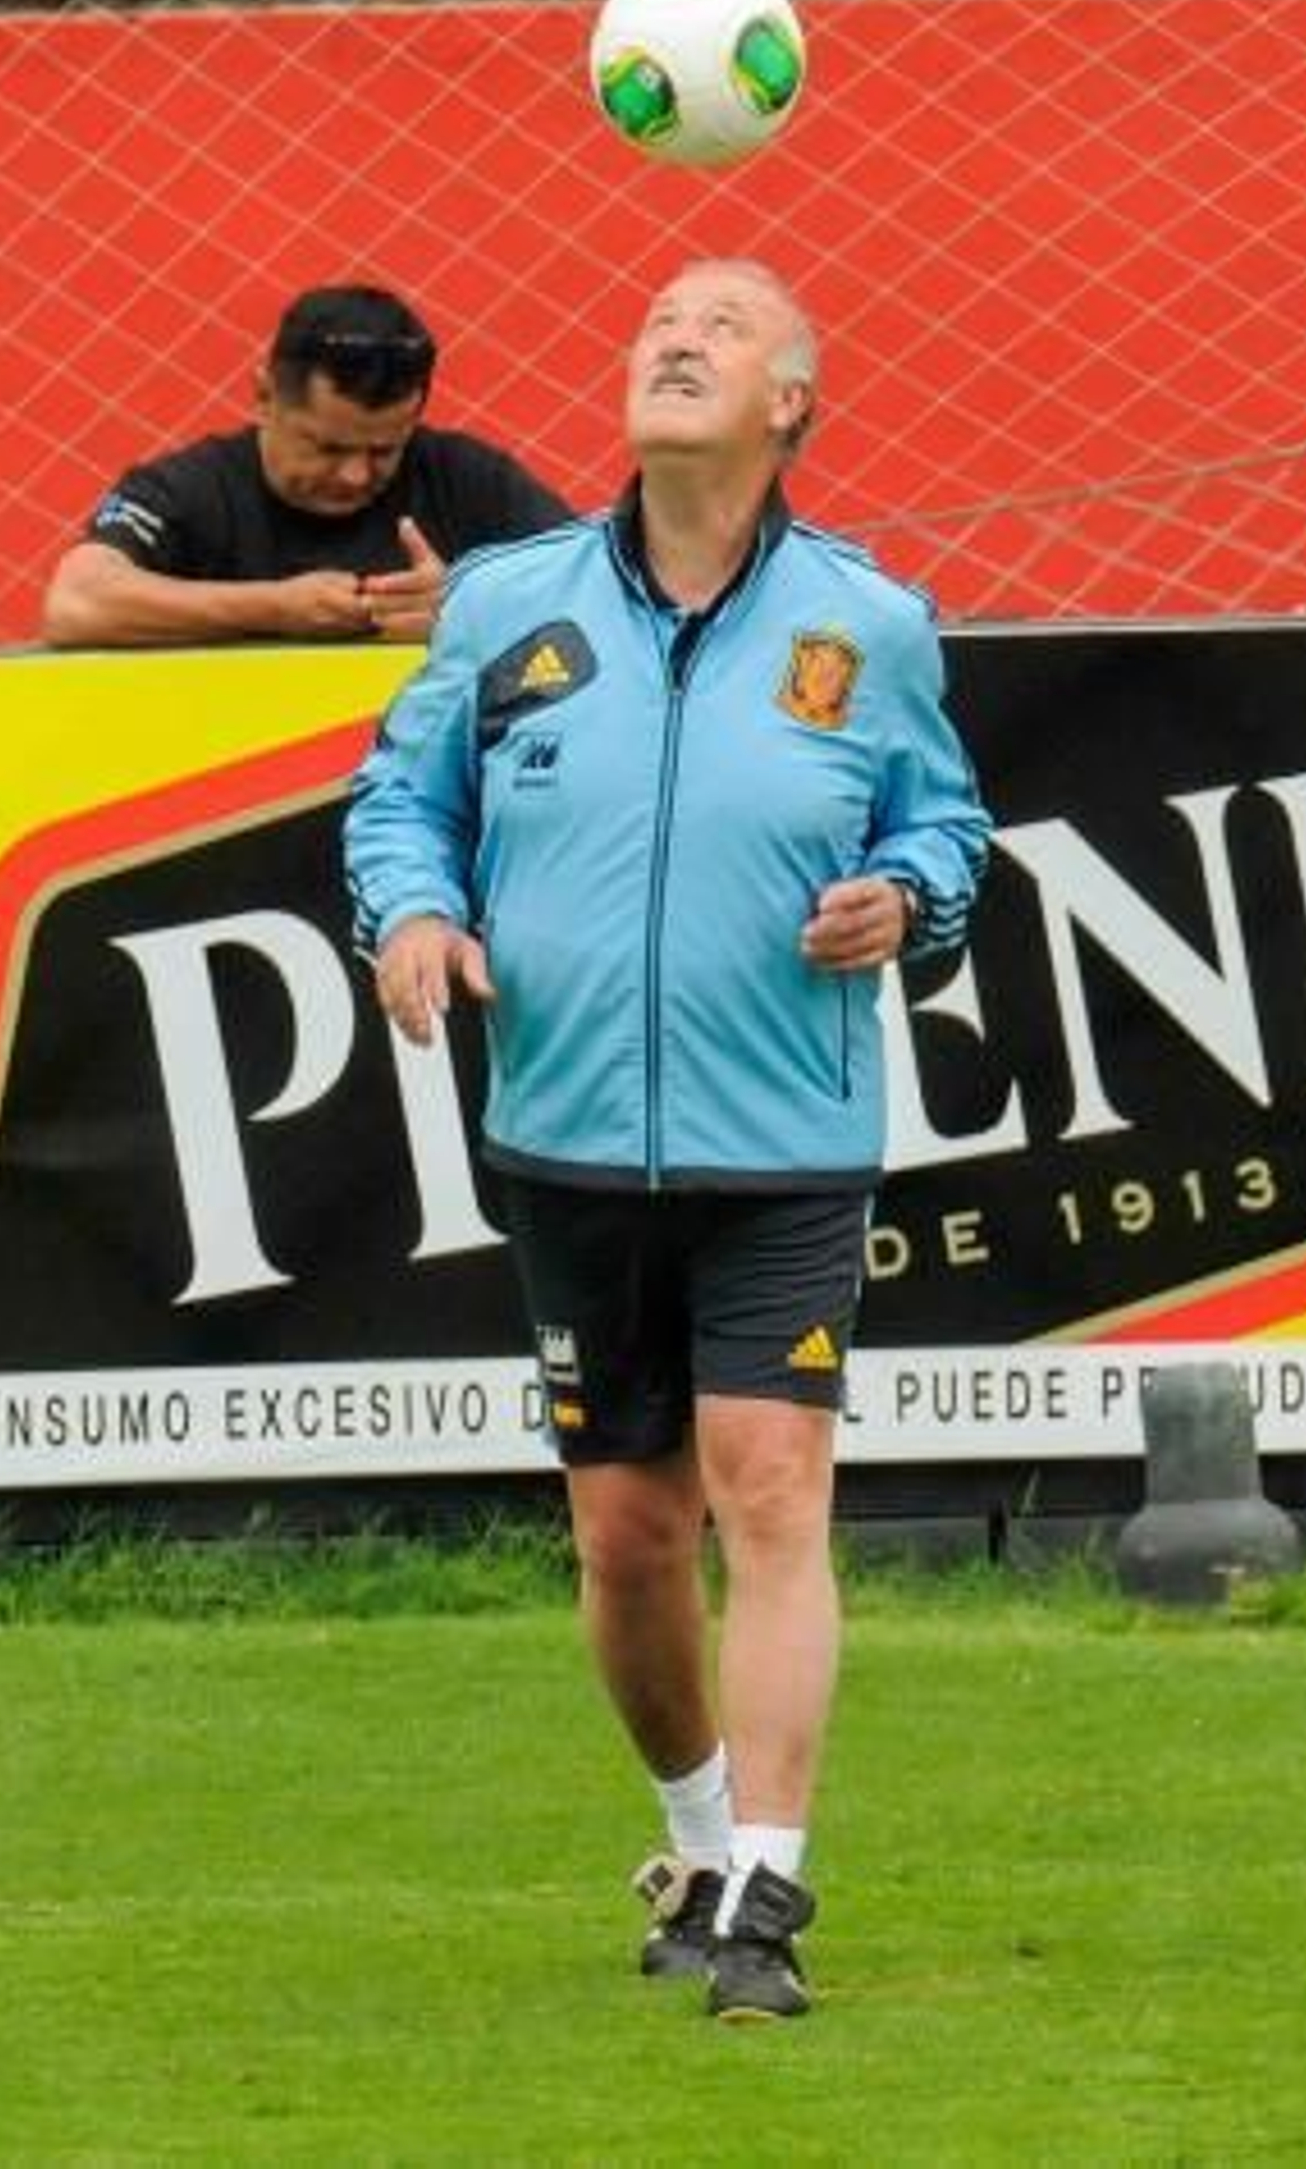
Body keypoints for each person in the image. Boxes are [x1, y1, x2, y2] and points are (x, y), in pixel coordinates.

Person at [343, 259, 989, 2022]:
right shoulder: (507, 603)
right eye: (656, 328)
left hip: (785, 1137)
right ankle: (698, 1840)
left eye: (723, 327)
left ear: (793, 401)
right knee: (628, 1538)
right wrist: (410, 912)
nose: (676, 340)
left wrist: (909, 897)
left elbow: (950, 830)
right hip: (560, 1139)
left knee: (769, 1488)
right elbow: (405, 796)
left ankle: (769, 1891)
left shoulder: (872, 624)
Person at [41, 284, 572, 647]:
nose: (356, 476)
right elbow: (76, 602)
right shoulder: (189, 489)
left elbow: (617, 594)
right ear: (264, 397)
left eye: (386, 450)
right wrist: (274, 609)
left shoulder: (468, 478)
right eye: (329, 448)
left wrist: (466, 611)